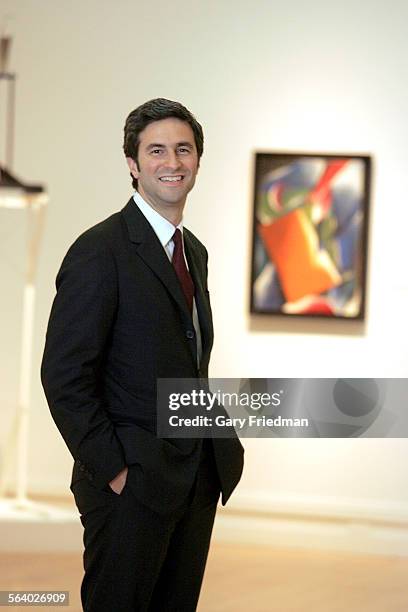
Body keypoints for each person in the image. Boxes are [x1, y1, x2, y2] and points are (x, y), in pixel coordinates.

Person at [41, 98, 244, 612]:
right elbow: (65, 376)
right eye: (156, 151)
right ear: (133, 164)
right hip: (130, 485)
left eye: (183, 149)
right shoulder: (99, 250)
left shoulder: (192, 250)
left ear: (198, 160)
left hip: (194, 476)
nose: (172, 162)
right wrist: (115, 471)